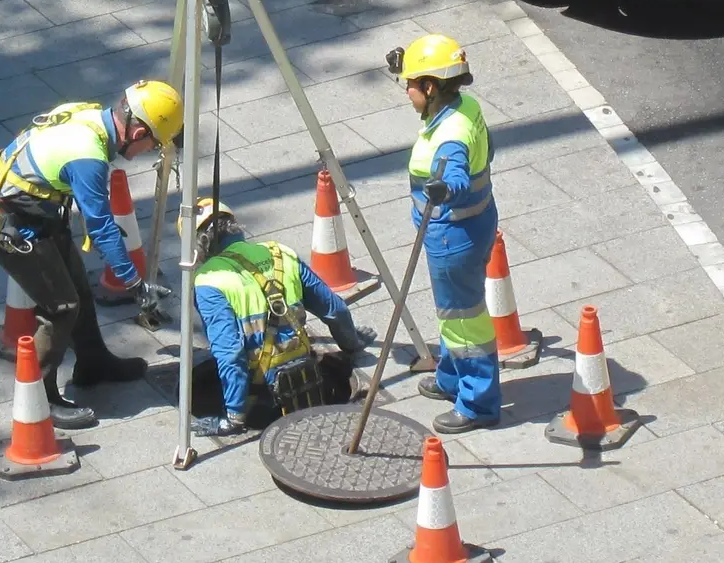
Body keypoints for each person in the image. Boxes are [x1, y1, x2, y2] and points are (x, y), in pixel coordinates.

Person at [0, 80, 183, 430]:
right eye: (152, 144)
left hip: (34, 211)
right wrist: (136, 284)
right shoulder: (88, 156)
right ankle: (40, 397)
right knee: (61, 307)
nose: (147, 152)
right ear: (137, 131)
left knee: (79, 290)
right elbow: (101, 225)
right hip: (12, 226)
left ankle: (93, 363)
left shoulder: (88, 114)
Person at [180, 198, 378, 437]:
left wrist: (232, 418)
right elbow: (334, 308)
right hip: (305, 376)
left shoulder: (209, 280)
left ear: (197, 246)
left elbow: (229, 353)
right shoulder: (280, 254)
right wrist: (351, 344)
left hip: (262, 393)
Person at [385, 34, 501, 434]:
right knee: (452, 313)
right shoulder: (465, 107)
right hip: (475, 223)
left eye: (412, 86)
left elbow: (455, 175)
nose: (408, 94)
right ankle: (452, 377)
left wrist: (445, 190)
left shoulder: (450, 136)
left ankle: (477, 402)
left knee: (465, 321)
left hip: (453, 237)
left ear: (431, 87)